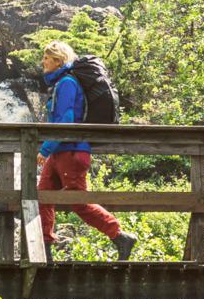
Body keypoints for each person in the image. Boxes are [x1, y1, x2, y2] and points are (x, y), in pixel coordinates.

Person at [38, 39, 136, 261]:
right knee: (41, 196)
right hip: (60, 152)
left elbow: (66, 120)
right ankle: (44, 249)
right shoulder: (60, 83)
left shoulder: (67, 84)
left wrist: (44, 149)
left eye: (47, 57)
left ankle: (119, 235)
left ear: (58, 60)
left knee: (77, 201)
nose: (43, 61)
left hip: (71, 152)